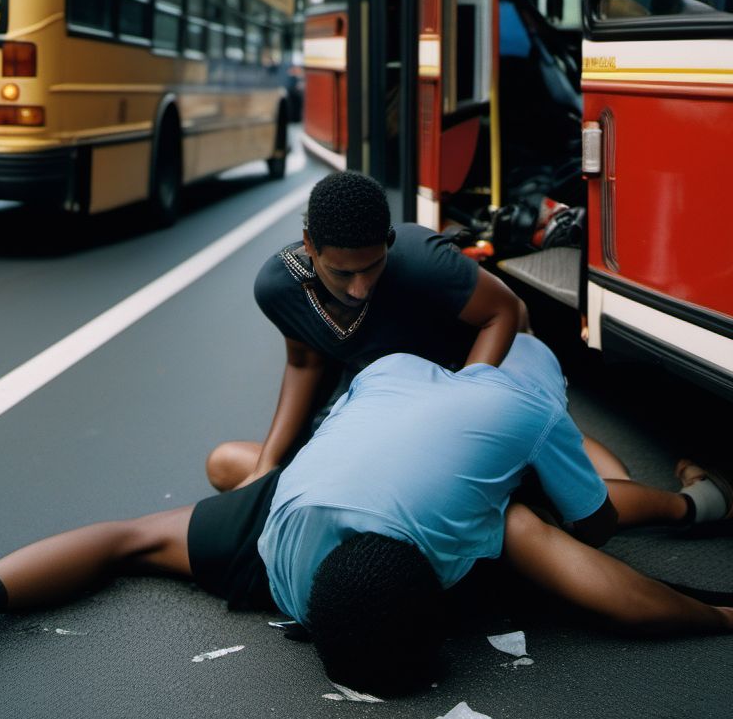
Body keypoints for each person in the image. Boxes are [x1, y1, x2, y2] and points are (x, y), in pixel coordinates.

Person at [0, 335, 733, 693]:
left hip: (312, 486)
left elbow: (110, 539)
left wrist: (724, 610)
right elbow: (614, 593)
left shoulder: (501, 396)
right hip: (333, 480)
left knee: (590, 500)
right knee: (567, 518)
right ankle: (704, 499)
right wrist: (724, 612)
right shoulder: (478, 516)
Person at [206, 170, 531, 492]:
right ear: (309, 244)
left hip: (450, 377)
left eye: (372, 266)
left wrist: (459, 407)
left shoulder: (423, 261)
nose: (359, 289)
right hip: (370, 397)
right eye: (342, 273)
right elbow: (304, 362)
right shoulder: (280, 288)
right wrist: (266, 466)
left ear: (387, 243)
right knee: (222, 465)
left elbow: (506, 311)